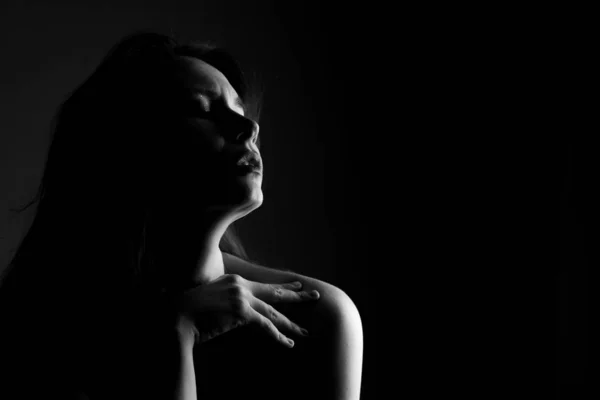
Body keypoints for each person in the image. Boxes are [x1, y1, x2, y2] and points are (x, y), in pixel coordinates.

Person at [0, 31, 363, 400]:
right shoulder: (45, 331)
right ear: (129, 148)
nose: (248, 128)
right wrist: (175, 333)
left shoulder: (318, 316)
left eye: (239, 110)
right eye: (201, 109)